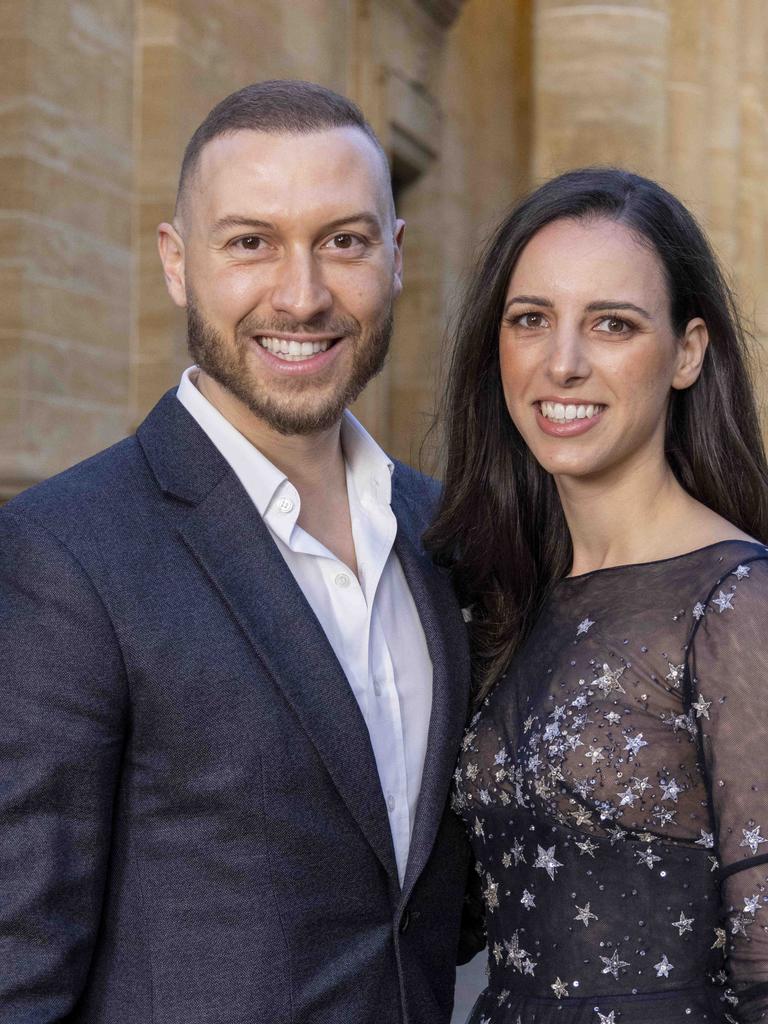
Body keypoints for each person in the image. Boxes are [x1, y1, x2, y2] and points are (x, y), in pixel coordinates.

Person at [0, 80, 477, 1024]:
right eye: (251, 242)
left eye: (343, 241)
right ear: (178, 262)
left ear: (395, 255)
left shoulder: (445, 535)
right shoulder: (63, 555)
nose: (301, 296)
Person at [426, 167, 768, 1023]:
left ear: (688, 351)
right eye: (531, 320)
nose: (563, 363)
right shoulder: (506, 598)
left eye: (612, 324)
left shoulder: (737, 604)